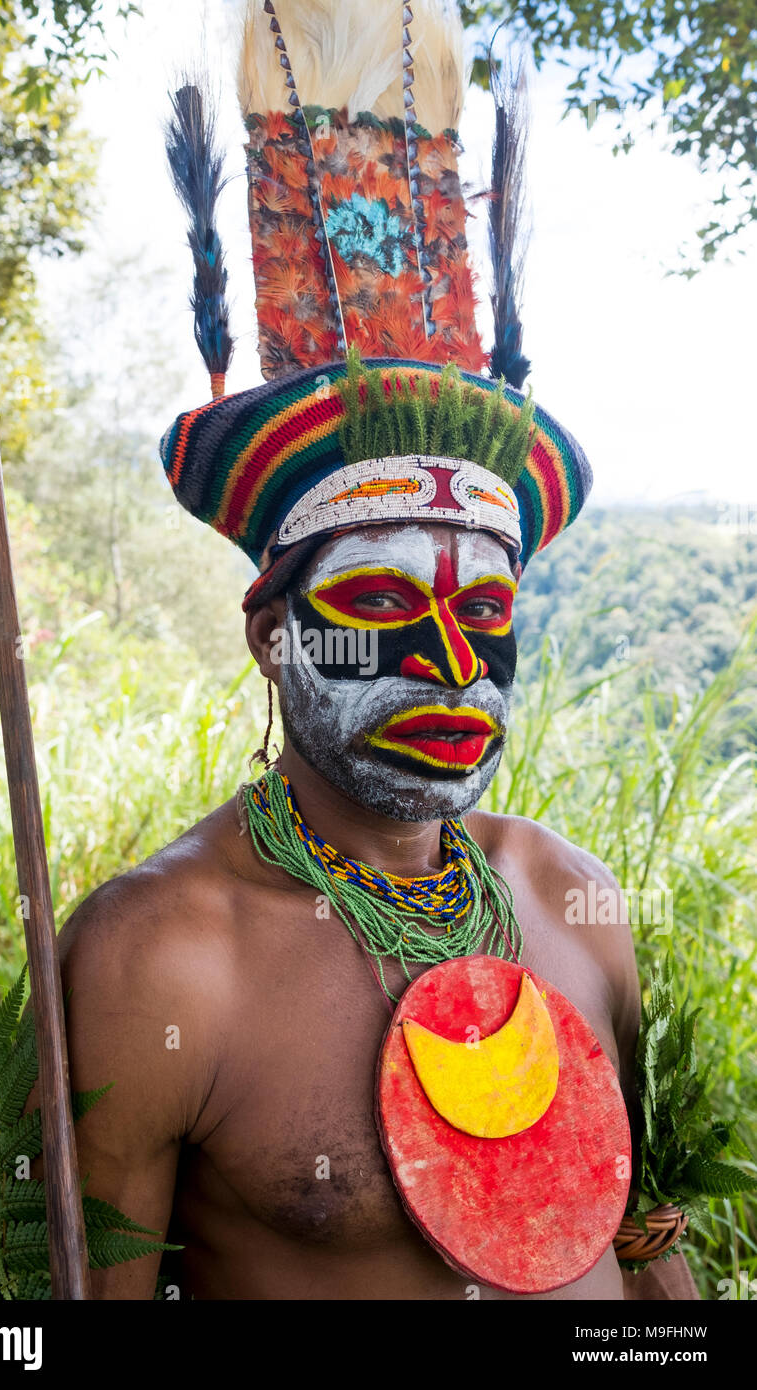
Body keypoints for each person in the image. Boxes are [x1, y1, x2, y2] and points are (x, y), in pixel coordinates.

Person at [36, 0, 699, 1299]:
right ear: (270, 629)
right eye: (388, 608)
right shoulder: (161, 955)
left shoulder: (577, 898)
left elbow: (647, 1253)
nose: (452, 663)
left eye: (485, 616)